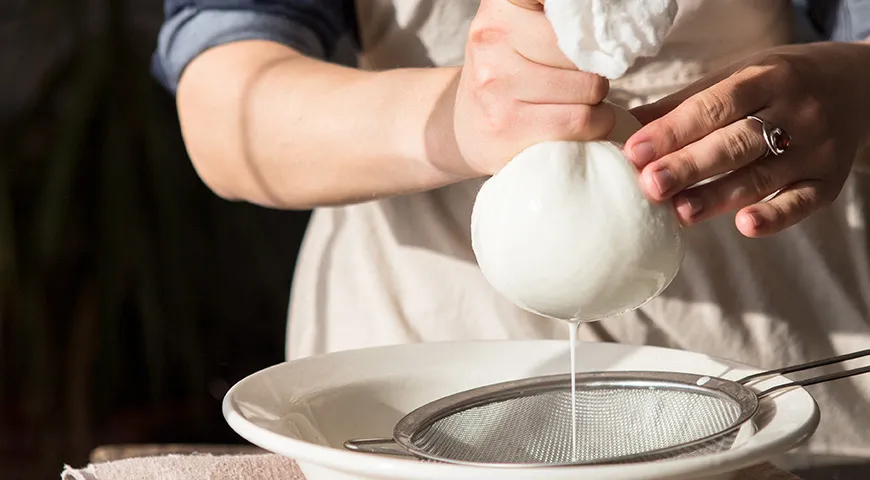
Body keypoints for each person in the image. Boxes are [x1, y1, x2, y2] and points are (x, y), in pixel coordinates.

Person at [153, 0, 870, 463]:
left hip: (775, 374)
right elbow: (224, 110)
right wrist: (452, 122)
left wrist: (858, 88)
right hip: (411, 357)